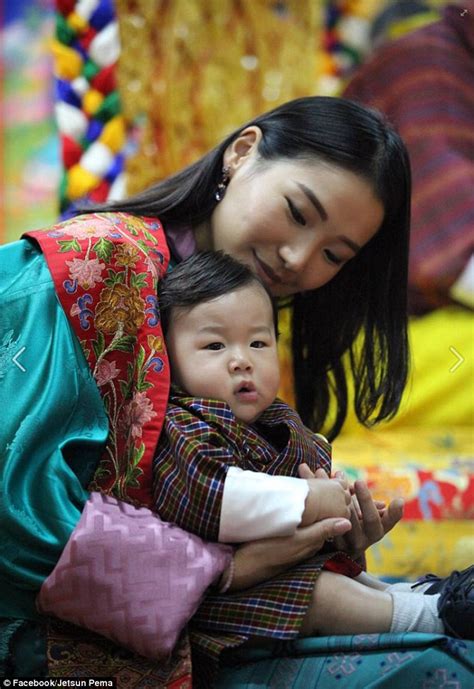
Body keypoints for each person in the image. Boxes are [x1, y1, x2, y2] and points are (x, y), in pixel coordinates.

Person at [0, 96, 413, 680]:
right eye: (297, 212)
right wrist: (221, 571)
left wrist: (332, 537)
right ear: (241, 153)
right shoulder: (93, 266)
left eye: (333, 254)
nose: (297, 259)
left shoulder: (258, 333)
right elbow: (10, 500)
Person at [153, 250, 473, 675]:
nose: (242, 359)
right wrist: (310, 498)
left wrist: (343, 515)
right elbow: (215, 498)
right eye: (214, 345)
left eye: (259, 342)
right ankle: (435, 617)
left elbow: (317, 489)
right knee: (324, 595)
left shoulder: (279, 419)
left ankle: (430, 597)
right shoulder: (184, 424)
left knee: (350, 581)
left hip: (291, 569)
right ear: (168, 365)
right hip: (224, 602)